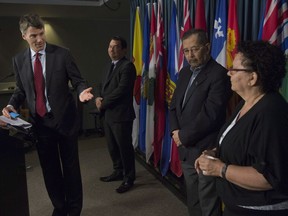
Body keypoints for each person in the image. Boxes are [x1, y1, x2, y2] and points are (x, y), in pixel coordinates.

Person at [2, 13, 93, 216]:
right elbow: (20, 90)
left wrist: (81, 92)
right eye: (34, 35)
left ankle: (74, 210)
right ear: (24, 36)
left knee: (71, 169)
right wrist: (10, 106)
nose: (40, 39)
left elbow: (78, 80)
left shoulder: (63, 54)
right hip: (41, 125)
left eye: (41, 34)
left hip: (65, 121)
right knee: (50, 171)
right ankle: (60, 207)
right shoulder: (19, 61)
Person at [195, 40, 288, 216]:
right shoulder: (246, 103)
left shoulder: (270, 113)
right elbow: (242, 144)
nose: (228, 72)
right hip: (237, 206)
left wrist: (219, 169)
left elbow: (268, 177)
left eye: (234, 69)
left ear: (252, 78)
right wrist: (214, 153)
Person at [169, 29, 232, 216]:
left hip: (205, 149)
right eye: (186, 51)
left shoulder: (219, 74)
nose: (190, 55)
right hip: (186, 149)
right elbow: (173, 106)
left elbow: (211, 115)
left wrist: (183, 136)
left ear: (207, 47)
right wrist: (175, 131)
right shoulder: (184, 72)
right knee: (193, 200)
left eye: (194, 49)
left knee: (208, 203)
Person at [95, 36, 136, 194]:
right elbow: (102, 86)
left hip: (121, 116)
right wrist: (99, 97)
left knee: (124, 148)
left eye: (116, 47)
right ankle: (118, 171)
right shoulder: (109, 66)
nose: (112, 49)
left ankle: (129, 178)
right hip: (108, 115)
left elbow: (122, 90)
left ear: (124, 50)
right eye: (110, 46)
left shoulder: (127, 66)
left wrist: (102, 102)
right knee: (112, 147)